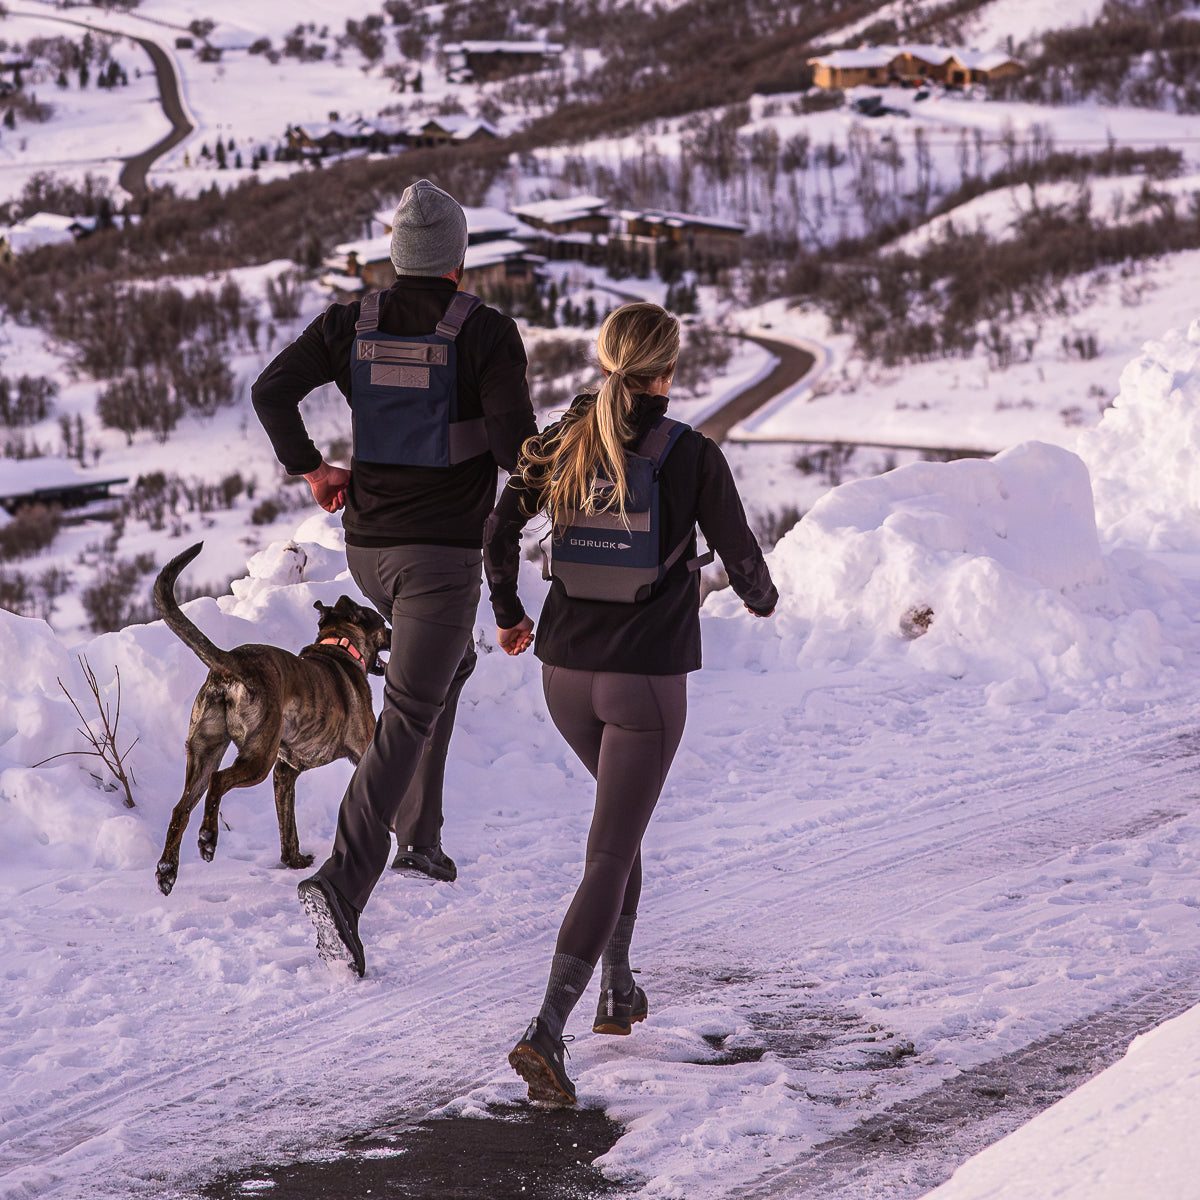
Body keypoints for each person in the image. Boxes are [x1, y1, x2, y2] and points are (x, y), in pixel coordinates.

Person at [482, 301, 778, 1104]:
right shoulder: (690, 453)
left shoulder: (562, 439)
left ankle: (618, 989)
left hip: (563, 676)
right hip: (643, 681)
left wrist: (508, 612)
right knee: (609, 852)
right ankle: (546, 1030)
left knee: (623, 825)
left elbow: (498, 530)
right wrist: (762, 598)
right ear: (668, 371)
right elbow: (743, 555)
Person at [251, 179, 537, 976]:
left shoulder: (353, 322)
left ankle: (423, 839)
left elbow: (270, 390)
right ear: (458, 258)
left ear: (394, 253)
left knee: (448, 666)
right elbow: (519, 454)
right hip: (441, 560)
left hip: (370, 551)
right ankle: (342, 885)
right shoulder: (486, 333)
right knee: (408, 712)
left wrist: (312, 470)